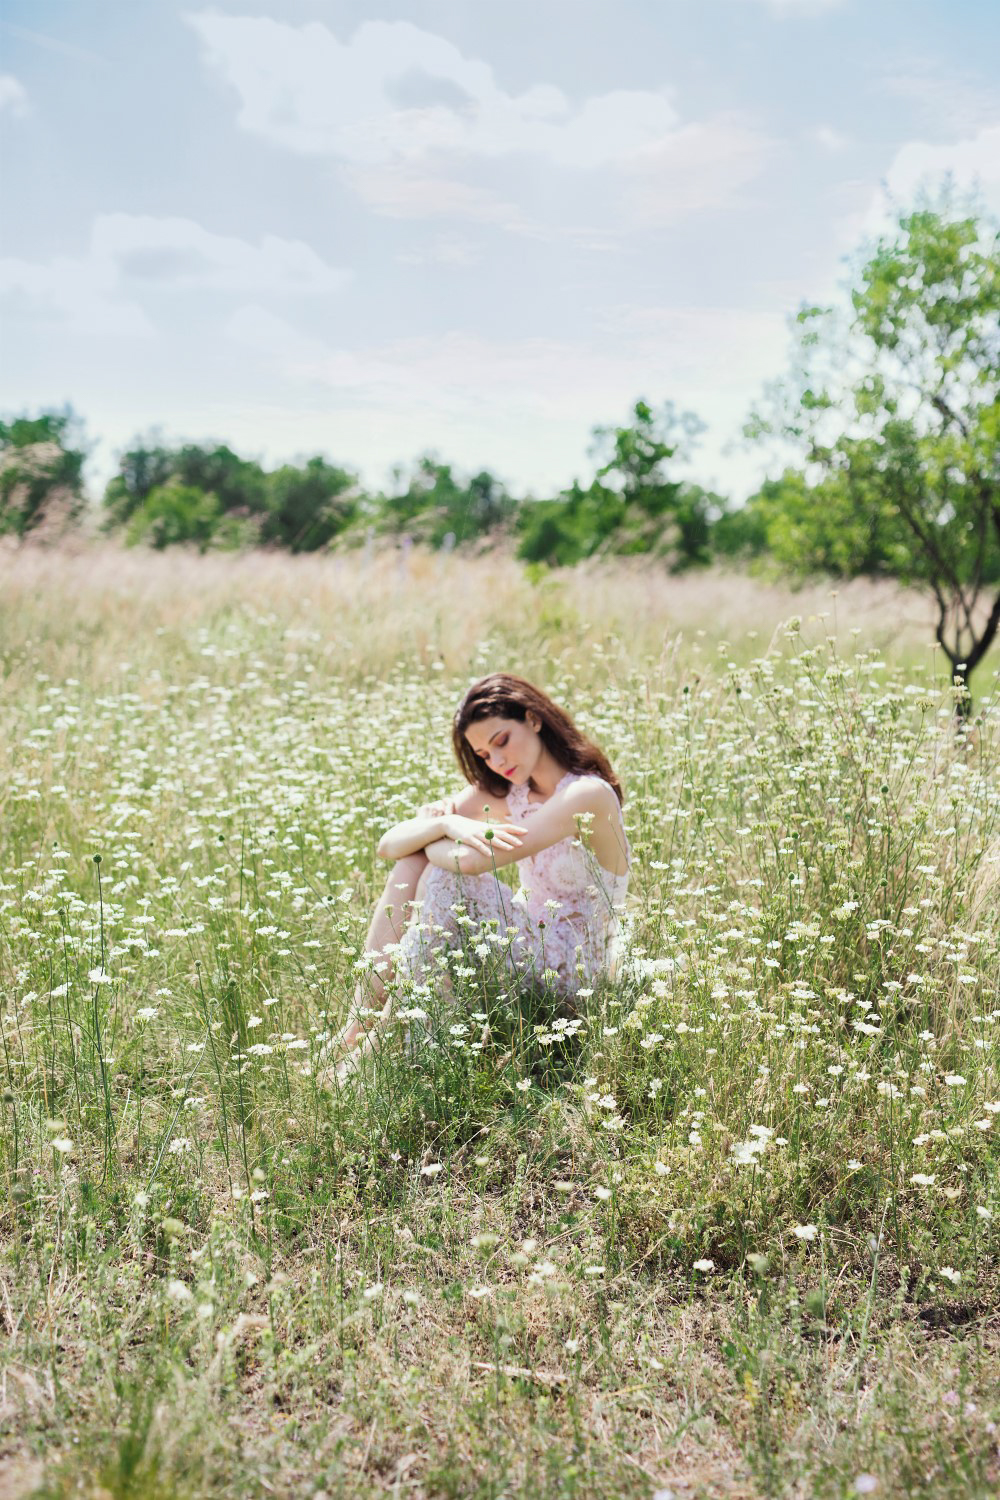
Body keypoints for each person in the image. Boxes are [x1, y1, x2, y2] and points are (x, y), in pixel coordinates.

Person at [318, 673, 630, 1087]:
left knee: (443, 875)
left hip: (571, 966)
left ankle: (379, 1039)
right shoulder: (511, 793)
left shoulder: (585, 795)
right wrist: (448, 823)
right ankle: (363, 1019)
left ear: (534, 719)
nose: (497, 761)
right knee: (419, 864)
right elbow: (391, 844)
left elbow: (471, 864)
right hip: (527, 937)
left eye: (501, 740)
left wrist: (444, 837)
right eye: (484, 754)